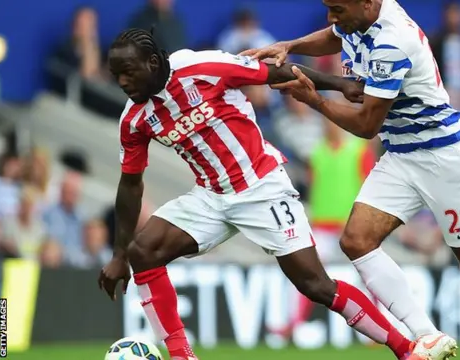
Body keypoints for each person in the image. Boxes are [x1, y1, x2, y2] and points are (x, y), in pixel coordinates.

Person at [241, 0, 460, 359]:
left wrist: (316, 101)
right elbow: (335, 35)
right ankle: (427, 336)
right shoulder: (364, 15)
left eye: (338, 9)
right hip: (403, 153)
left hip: (444, 155)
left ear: (368, 4)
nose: (332, 18)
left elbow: (366, 125)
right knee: (357, 240)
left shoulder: (393, 42)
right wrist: (291, 46)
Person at [98, 28, 413, 360]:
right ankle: (181, 355)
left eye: (128, 72)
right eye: (116, 75)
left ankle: (405, 348)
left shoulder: (201, 67)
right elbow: (131, 184)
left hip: (263, 187)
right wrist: (119, 255)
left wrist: (340, 85)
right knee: (143, 252)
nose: (121, 82)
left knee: (316, 285)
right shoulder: (134, 120)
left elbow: (274, 72)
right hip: (211, 196)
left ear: (152, 62)